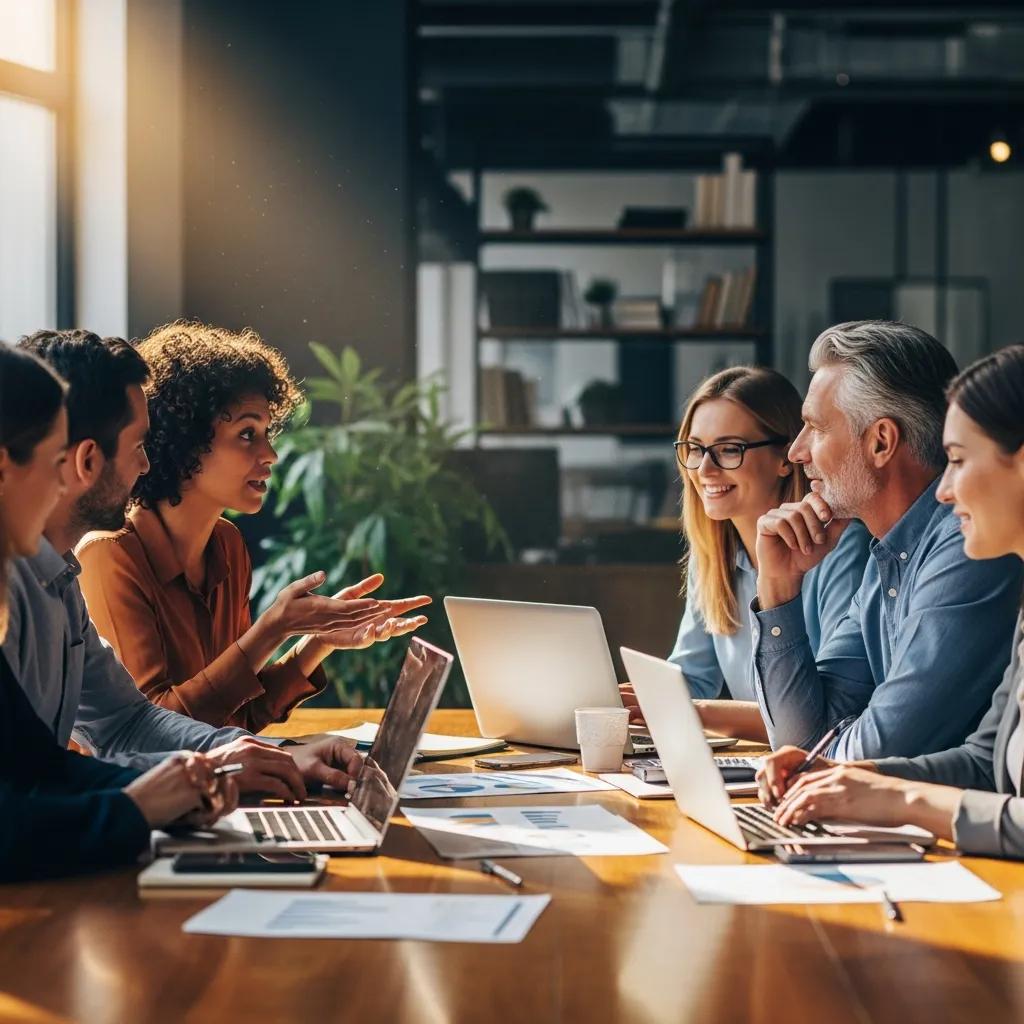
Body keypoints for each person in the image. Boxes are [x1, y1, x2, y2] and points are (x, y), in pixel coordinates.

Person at [7, 329, 366, 802]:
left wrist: (249, 757)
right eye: (139, 445)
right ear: (86, 461)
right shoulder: (72, 567)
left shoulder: (60, 579)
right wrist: (208, 774)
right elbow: (32, 787)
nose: (146, 465)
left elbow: (125, 722)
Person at [76, 320, 430, 732]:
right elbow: (148, 735)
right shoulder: (110, 556)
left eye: (266, 432)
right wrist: (272, 629)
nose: (271, 454)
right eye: (247, 434)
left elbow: (237, 717)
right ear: (186, 438)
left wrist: (317, 641)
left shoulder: (226, 544)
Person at [758, 345, 1024, 860]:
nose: (943, 491)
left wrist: (893, 792)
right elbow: (984, 763)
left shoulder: (967, 552)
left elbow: (890, 742)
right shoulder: (889, 558)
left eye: (958, 461)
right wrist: (850, 777)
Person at [0, 343, 236, 881]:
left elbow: (41, 769)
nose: (64, 481)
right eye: (53, 460)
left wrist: (188, 778)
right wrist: (138, 806)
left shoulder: (54, 578)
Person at [620, 366, 869, 742]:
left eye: (728, 450)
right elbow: (691, 678)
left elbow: (824, 719)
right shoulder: (715, 557)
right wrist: (632, 701)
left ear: (786, 457)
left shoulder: (837, 549)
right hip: (764, 770)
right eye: (695, 449)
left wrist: (687, 710)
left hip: (818, 772)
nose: (704, 469)